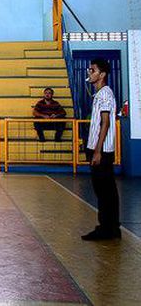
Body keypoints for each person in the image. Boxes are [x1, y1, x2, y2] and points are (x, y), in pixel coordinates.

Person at [81, 58, 120, 241]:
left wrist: (97, 151)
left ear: (102, 74)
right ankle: (110, 227)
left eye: (93, 70)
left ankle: (107, 229)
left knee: (104, 191)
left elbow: (105, 123)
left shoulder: (105, 94)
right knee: (104, 190)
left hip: (101, 151)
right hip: (97, 148)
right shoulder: (99, 94)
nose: (90, 72)